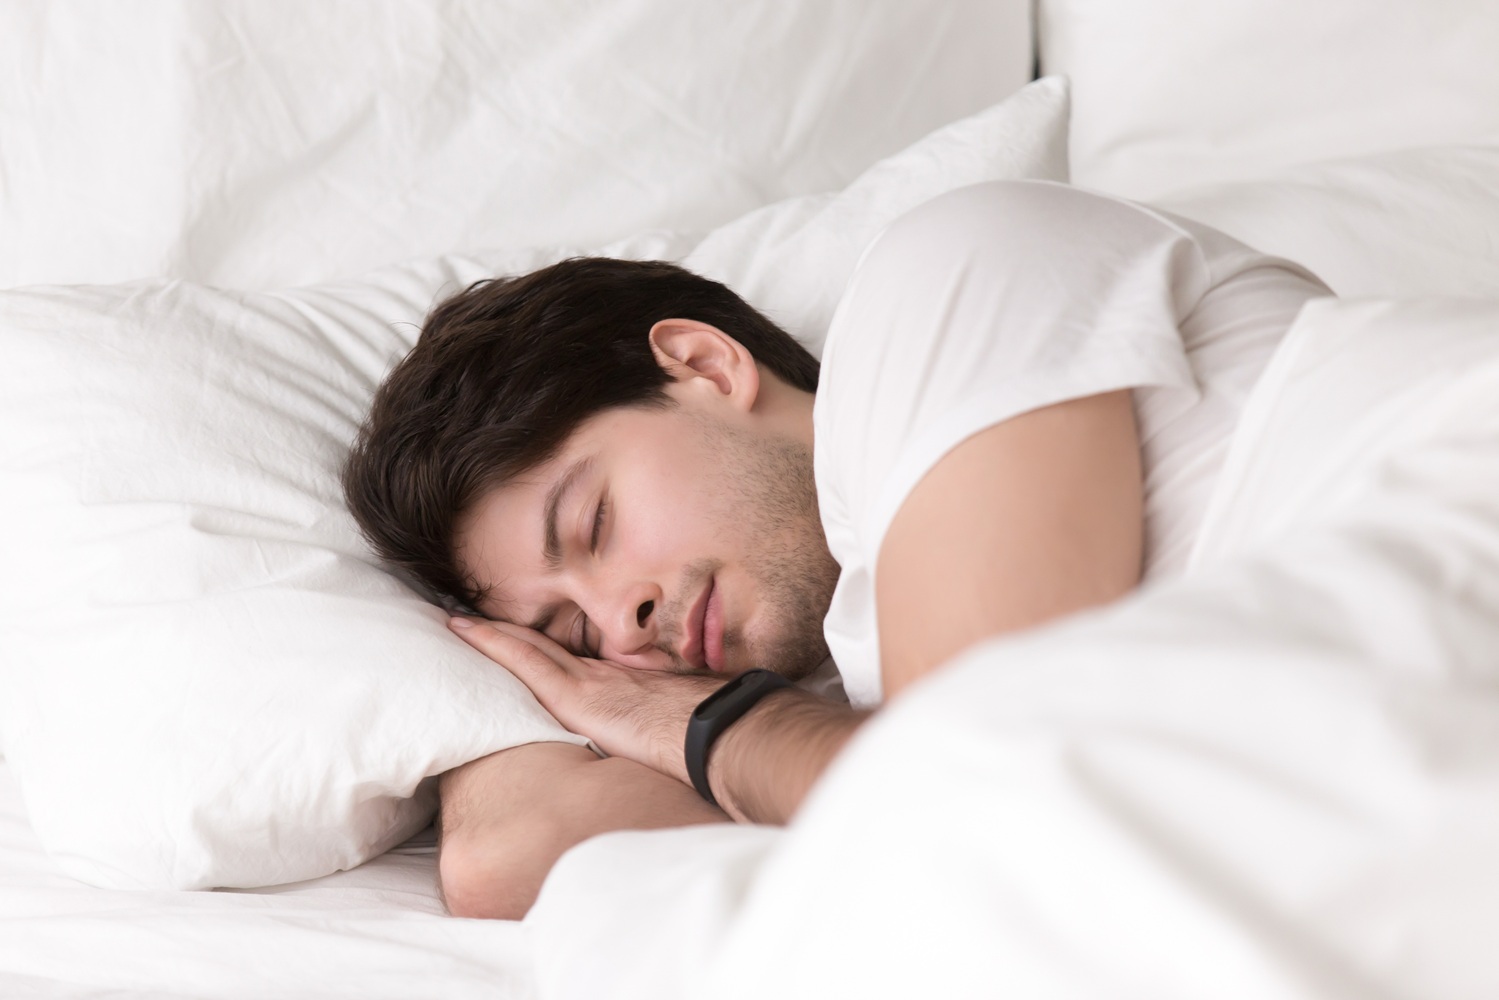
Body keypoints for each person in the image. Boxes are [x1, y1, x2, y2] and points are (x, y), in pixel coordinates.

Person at [341, 180, 1331, 919]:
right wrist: (520, 696)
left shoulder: (944, 276)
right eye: (569, 632)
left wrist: (717, 730)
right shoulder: (845, 696)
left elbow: (975, 780)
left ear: (702, 364)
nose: (619, 624)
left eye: (593, 523)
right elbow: (503, 859)